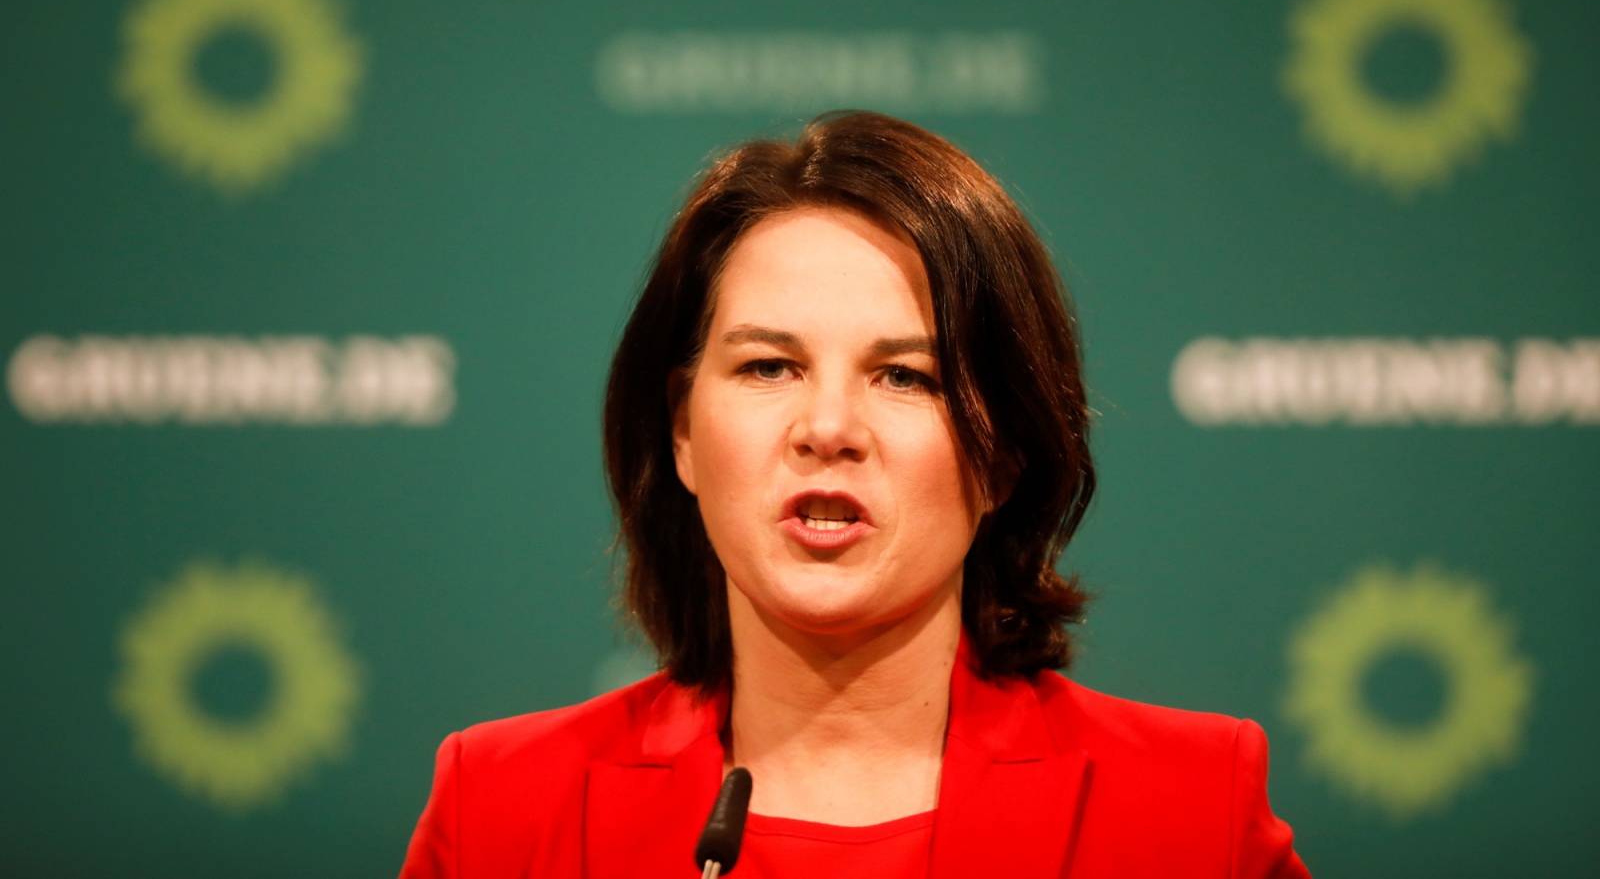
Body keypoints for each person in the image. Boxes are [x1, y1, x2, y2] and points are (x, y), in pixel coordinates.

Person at [400, 111, 1310, 877]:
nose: (827, 426)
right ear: (682, 429)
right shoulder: (501, 811)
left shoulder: (1192, 813)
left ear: (1002, 453)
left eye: (906, 377)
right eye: (768, 366)